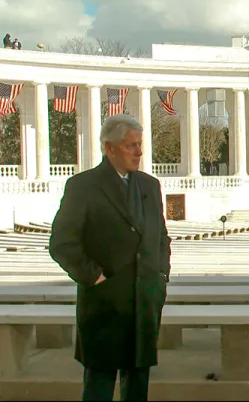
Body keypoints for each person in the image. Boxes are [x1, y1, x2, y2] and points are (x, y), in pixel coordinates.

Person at [49, 114, 171, 401]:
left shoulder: (149, 186)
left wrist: (161, 277)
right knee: (100, 386)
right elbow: (62, 243)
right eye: (131, 145)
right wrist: (93, 275)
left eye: (140, 145)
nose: (139, 152)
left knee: (138, 385)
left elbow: (161, 238)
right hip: (105, 303)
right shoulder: (83, 186)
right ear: (109, 147)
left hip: (144, 301)